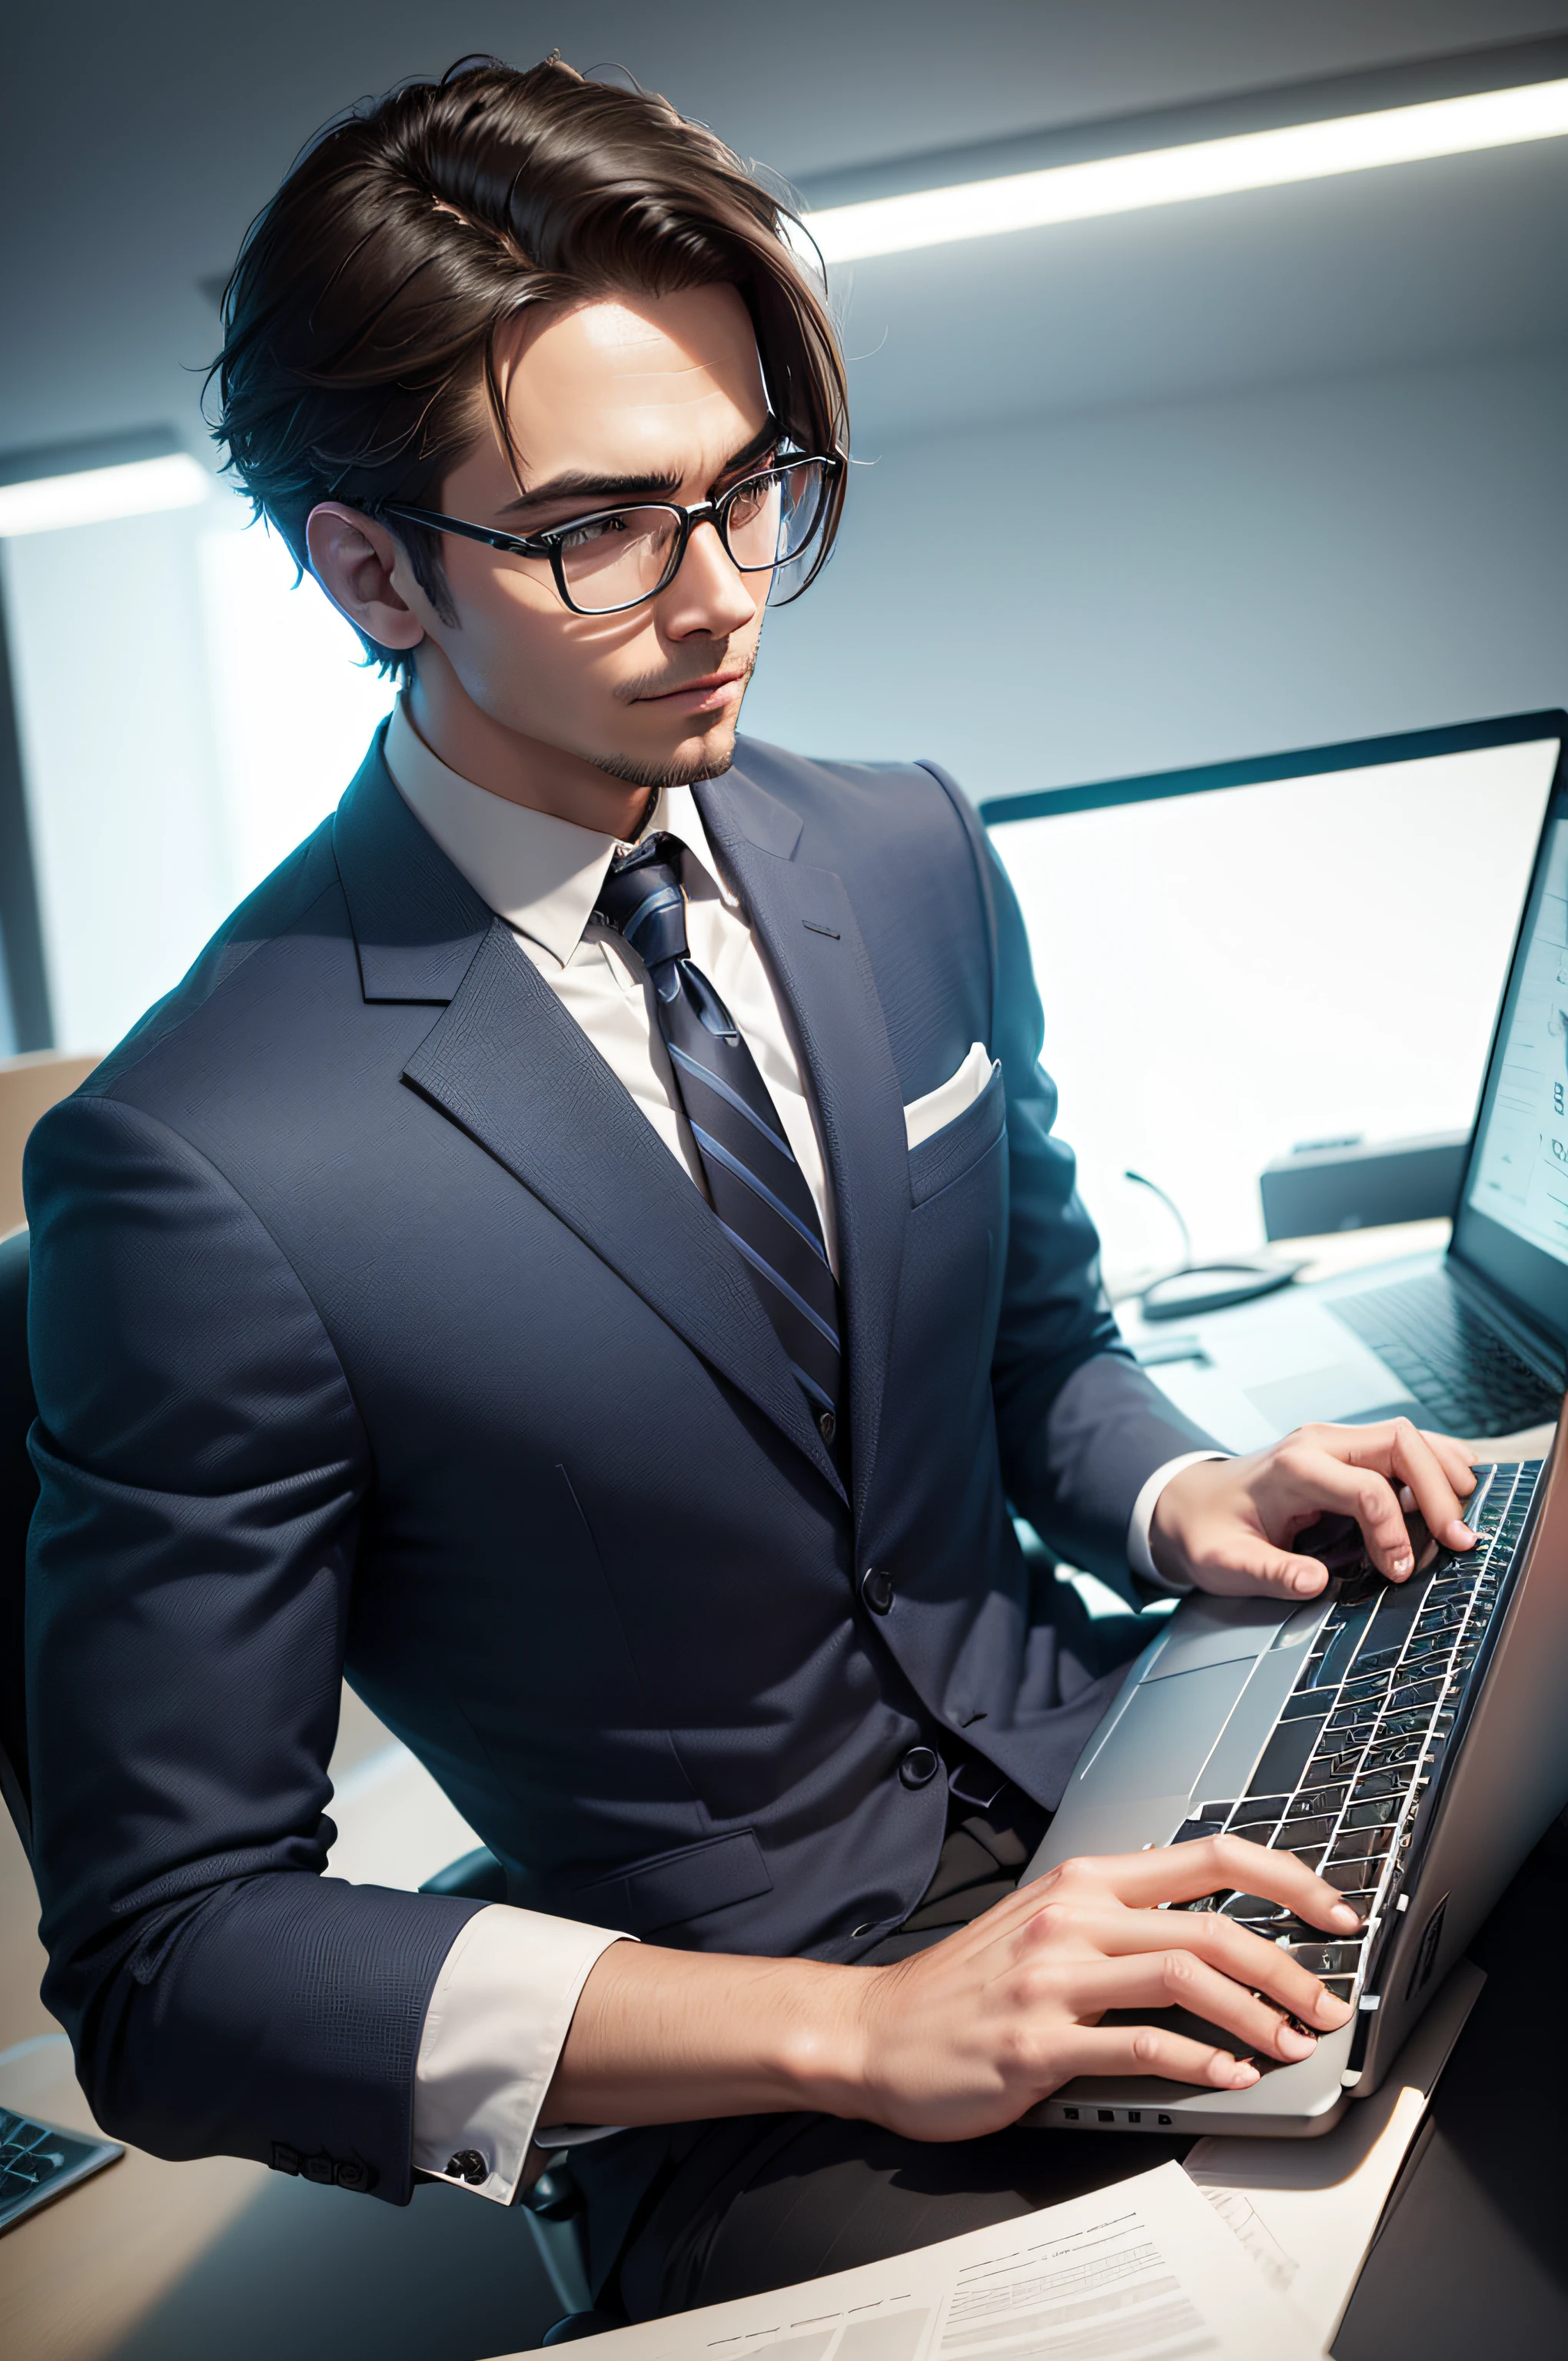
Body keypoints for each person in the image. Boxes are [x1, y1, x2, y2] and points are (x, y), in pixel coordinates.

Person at [23, 55, 1479, 2323]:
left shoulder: (901, 844)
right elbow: (170, 1953)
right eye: (603, 525)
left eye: (753, 491)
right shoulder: (201, 1162)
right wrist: (861, 2030)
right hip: (770, 2063)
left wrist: (1181, 1494)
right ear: (372, 566)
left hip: (1142, 1792)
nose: (722, 601)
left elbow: (1038, 1354)